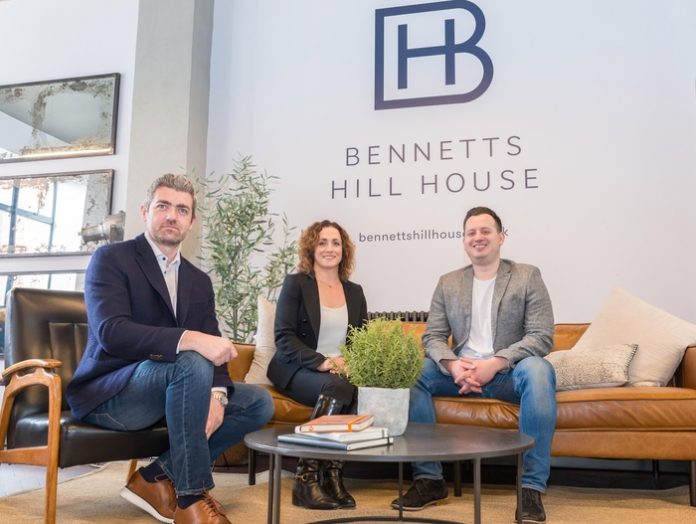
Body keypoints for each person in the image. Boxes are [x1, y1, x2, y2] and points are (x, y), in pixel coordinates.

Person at [66, 174, 275, 524]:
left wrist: (217, 397)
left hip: (174, 390)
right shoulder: (112, 259)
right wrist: (189, 339)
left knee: (257, 402)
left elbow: (214, 348)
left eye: (182, 210)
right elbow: (111, 333)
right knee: (190, 361)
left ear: (192, 222)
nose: (171, 216)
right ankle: (191, 496)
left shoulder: (198, 281)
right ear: (145, 211)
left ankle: (155, 477)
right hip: (112, 393)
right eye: (163, 206)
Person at [393, 207, 555, 524]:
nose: (478, 237)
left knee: (539, 369)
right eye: (471, 232)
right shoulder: (448, 282)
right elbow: (433, 336)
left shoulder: (527, 276)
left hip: (507, 373)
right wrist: (453, 365)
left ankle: (530, 487)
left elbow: (541, 336)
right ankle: (429, 479)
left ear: (501, 237)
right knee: (412, 372)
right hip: (460, 373)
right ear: (464, 240)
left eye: (485, 231)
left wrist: (495, 362)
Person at [267, 220, 368, 510]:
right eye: (322, 242)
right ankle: (306, 478)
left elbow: (360, 341)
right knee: (338, 387)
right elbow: (284, 337)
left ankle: (332, 475)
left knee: (356, 389)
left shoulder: (355, 291)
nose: (329, 248)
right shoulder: (296, 284)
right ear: (311, 247)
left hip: (339, 373)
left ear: (344, 250)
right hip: (297, 368)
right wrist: (322, 362)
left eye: (336, 243)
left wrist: (351, 364)